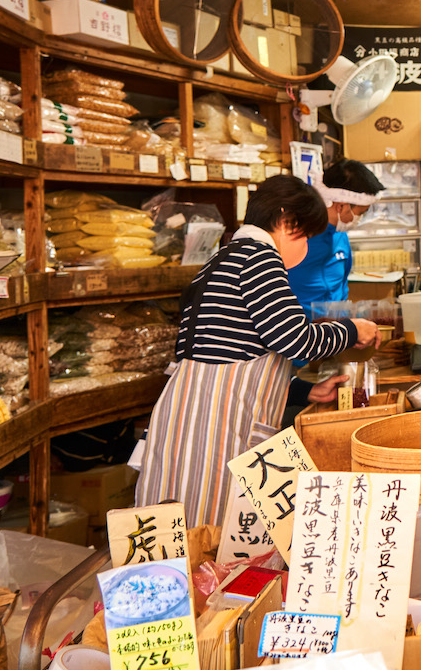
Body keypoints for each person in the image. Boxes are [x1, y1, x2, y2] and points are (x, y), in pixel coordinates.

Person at [136, 175, 379, 525]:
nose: (308, 247)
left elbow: (239, 350)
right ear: (284, 220)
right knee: (207, 533)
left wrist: (305, 389)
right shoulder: (259, 259)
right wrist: (352, 329)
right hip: (214, 429)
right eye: (306, 236)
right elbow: (295, 339)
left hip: (193, 421)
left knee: (184, 532)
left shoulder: (225, 258)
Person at [286, 160, 383, 410]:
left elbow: (342, 289)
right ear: (340, 205)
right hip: (293, 359)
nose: (359, 219)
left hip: (335, 349)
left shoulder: (341, 237)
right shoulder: (294, 240)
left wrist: (355, 326)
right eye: (360, 212)